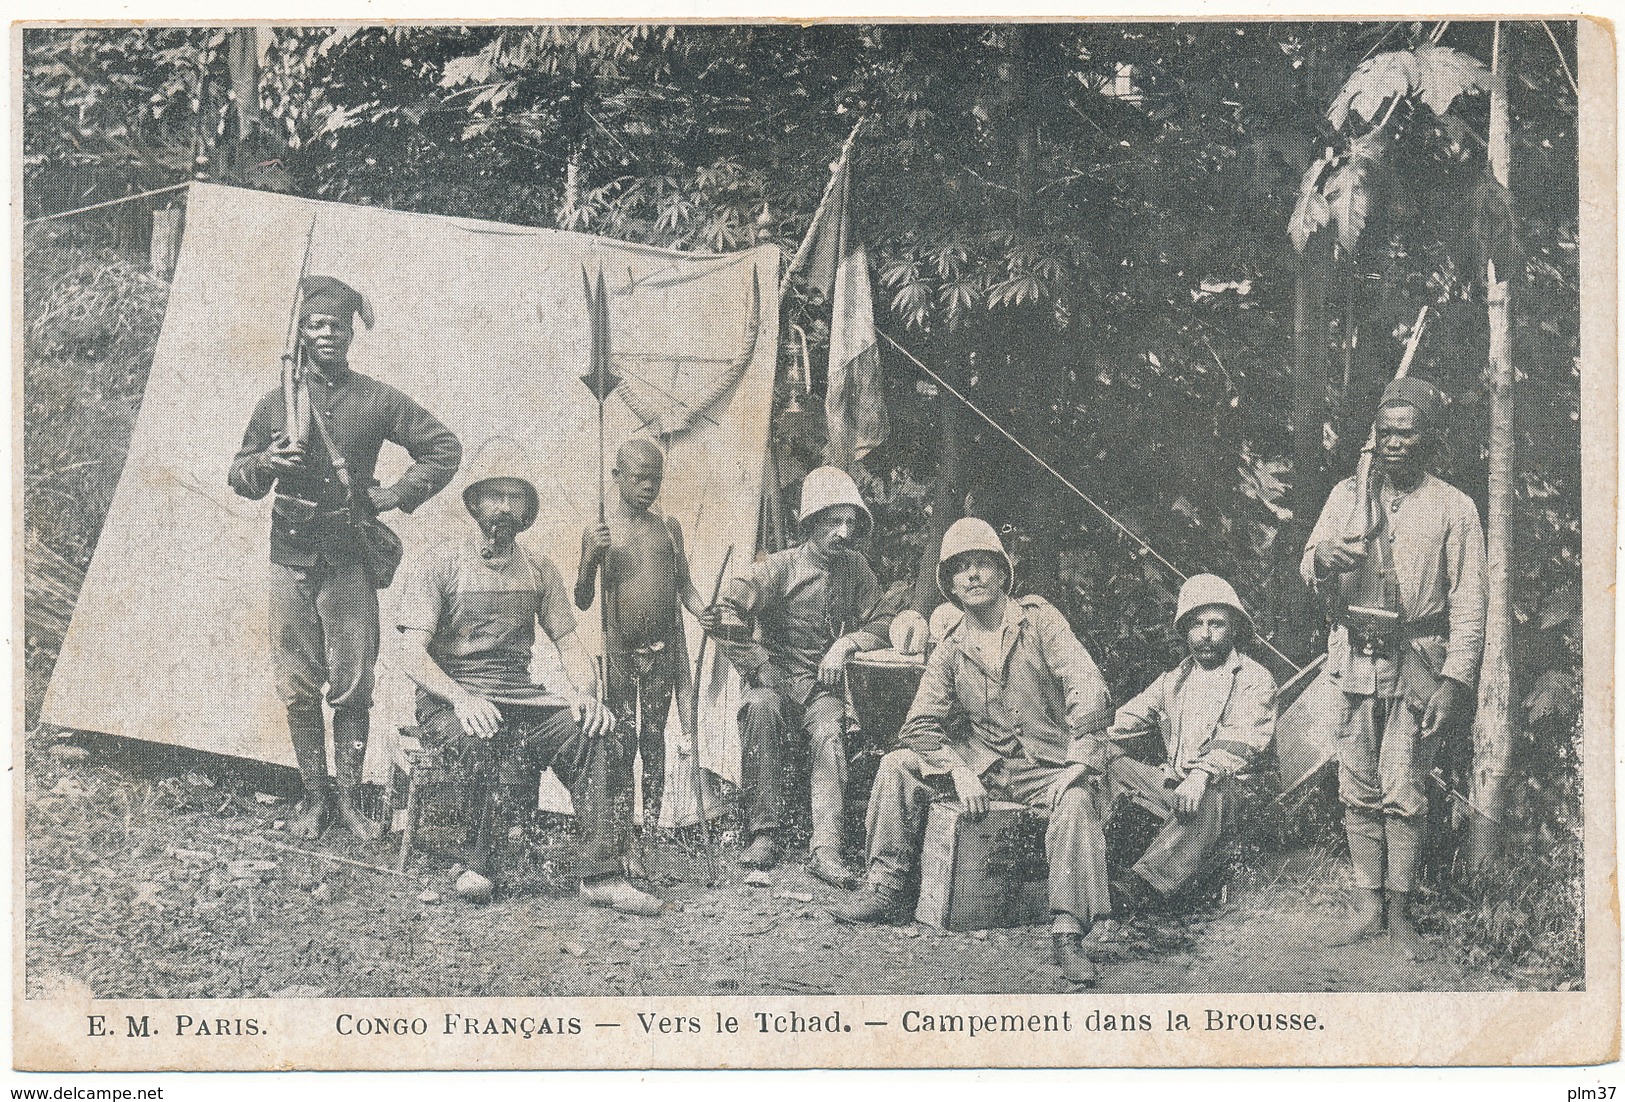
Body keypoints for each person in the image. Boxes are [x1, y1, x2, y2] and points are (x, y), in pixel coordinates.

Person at [832, 518, 1115, 987]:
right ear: (951, 586)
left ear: (1002, 574)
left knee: (1078, 801)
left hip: (1047, 764)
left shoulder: (1038, 620)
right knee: (897, 765)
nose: (973, 576)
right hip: (984, 765)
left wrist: (1081, 758)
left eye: (982, 564)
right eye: (961, 570)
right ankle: (886, 886)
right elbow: (918, 724)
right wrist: (958, 768)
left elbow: (1086, 683)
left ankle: (1068, 932)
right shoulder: (950, 647)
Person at [229, 275, 461, 842]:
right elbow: (239, 475)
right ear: (301, 332)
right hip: (289, 554)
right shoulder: (278, 401)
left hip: (349, 557)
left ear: (353, 332)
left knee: (355, 680)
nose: (327, 334)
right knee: (297, 681)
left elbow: (443, 448)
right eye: (315, 324)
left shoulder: (376, 399)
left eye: (337, 324)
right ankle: (314, 799)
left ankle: (351, 801)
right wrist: (266, 464)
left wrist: (393, 495)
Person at [395, 442, 662, 915]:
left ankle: (600, 875)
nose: (503, 507)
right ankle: (480, 865)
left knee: (594, 733)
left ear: (527, 509)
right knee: (488, 736)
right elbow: (411, 653)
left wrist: (586, 695)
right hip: (451, 702)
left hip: (520, 699)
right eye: (493, 496)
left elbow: (568, 643)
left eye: (514, 497)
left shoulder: (539, 567)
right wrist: (461, 699)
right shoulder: (440, 561)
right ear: (474, 503)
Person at [1301, 376, 1486, 958]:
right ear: (1373, 438)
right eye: (1386, 433)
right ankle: (1367, 905)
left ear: (1429, 440)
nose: (1395, 444)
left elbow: (1471, 602)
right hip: (1353, 658)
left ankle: (1401, 910)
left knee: (1404, 783)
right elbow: (1309, 568)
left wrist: (1454, 682)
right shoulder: (1345, 497)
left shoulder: (1455, 508)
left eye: (1408, 434)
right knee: (1355, 781)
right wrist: (1324, 560)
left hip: (1417, 660)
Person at [710, 466, 892, 887]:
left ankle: (825, 847)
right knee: (759, 707)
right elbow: (724, 612)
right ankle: (764, 834)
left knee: (830, 727)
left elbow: (884, 621)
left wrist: (847, 644)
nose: (842, 533)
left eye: (850, 522)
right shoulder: (780, 568)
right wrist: (758, 666)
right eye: (833, 522)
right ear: (811, 524)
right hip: (773, 680)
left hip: (820, 687)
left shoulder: (857, 570)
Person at [574, 438, 707, 874]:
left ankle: (649, 833)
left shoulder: (668, 528)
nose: (649, 486)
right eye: (639, 477)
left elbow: (683, 585)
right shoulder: (601, 530)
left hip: (662, 654)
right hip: (618, 657)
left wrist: (704, 612)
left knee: (654, 743)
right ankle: (621, 837)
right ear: (616, 477)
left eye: (656, 478)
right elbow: (581, 598)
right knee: (620, 746)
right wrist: (590, 558)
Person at [1102, 574, 1277, 905]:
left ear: (1235, 628)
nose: (1206, 635)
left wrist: (1201, 774)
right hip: (1178, 789)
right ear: (1184, 631)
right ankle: (1101, 860)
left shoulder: (1254, 678)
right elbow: (1121, 723)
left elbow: (1244, 739)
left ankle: (1141, 888)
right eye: (1197, 624)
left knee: (1214, 789)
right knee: (1106, 756)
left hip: (1230, 794)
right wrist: (1086, 739)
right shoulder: (1174, 680)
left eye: (1217, 624)